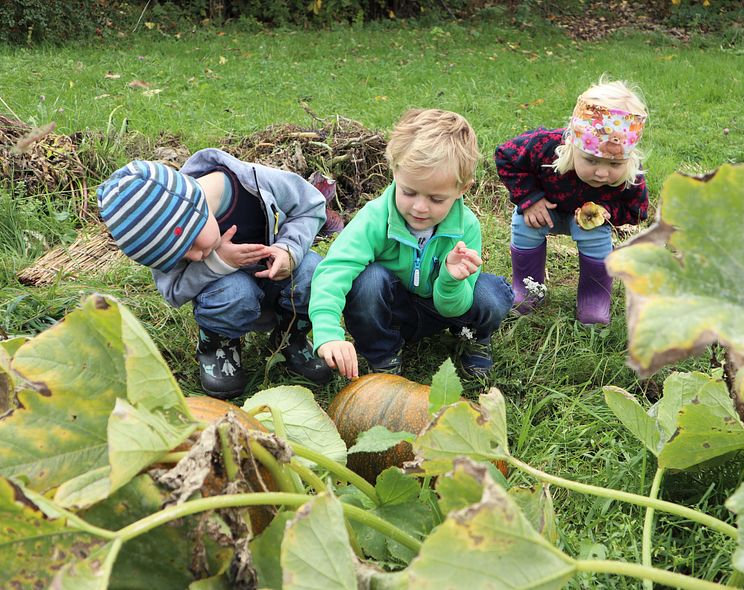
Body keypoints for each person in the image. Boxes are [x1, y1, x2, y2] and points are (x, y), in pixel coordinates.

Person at [97, 148, 332, 399]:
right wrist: (217, 263)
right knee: (234, 292)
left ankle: (290, 338)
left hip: (278, 276)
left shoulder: (256, 183)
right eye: (183, 258)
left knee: (312, 272)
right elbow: (173, 292)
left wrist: (290, 250)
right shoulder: (163, 235)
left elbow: (311, 205)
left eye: (188, 247)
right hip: (227, 294)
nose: (195, 257)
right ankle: (218, 348)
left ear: (194, 210)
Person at [309, 109, 514, 380]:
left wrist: (451, 280)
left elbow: (455, 306)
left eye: (436, 199)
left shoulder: (466, 227)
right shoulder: (374, 218)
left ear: (462, 189)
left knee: (491, 295)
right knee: (367, 280)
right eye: (408, 192)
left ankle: (473, 338)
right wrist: (327, 333)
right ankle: (383, 353)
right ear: (394, 172)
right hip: (395, 309)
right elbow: (334, 271)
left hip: (444, 309)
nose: (419, 207)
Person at [494, 77, 648, 325]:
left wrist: (609, 212)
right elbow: (506, 156)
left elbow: (637, 209)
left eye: (615, 165)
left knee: (595, 234)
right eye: (591, 160)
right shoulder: (546, 145)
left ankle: (594, 298)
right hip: (546, 210)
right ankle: (528, 288)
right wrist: (530, 199)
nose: (602, 173)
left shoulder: (631, 174)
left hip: (588, 221)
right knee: (524, 221)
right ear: (572, 143)